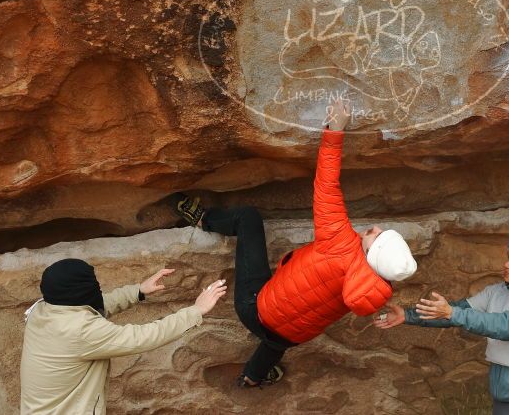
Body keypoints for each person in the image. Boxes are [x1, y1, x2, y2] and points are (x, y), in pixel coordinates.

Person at [175, 99, 418, 388]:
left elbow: (327, 184)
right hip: (292, 336)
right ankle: (253, 377)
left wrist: (334, 131)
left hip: (256, 306)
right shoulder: (374, 287)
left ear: (372, 252)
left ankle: (203, 219)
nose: (374, 228)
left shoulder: (340, 242)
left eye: (377, 234)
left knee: (248, 218)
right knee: (278, 338)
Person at [374, 233, 509, 415]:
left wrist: (453, 313)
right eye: (507, 259)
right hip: (502, 400)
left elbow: (505, 326)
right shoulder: (496, 292)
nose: (505, 265)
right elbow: (452, 311)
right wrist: (407, 316)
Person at [20, 258, 226, 414]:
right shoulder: (81, 332)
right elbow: (144, 336)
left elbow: (88, 308)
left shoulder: (44, 308)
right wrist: (196, 311)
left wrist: (138, 291)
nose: (97, 288)